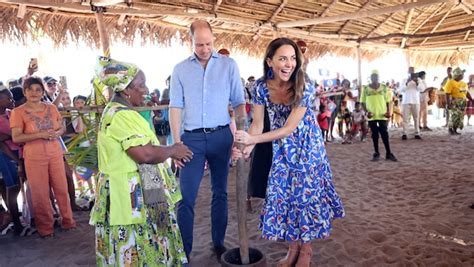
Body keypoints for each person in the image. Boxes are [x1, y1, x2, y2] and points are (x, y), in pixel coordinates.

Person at [234, 37, 344, 267]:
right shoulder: (260, 87)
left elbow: (288, 128)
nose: (289, 64)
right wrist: (246, 149)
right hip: (281, 150)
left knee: (305, 198)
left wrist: (253, 139)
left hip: (307, 148)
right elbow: (257, 123)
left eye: (293, 58)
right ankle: (293, 248)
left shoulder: (305, 85)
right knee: (287, 198)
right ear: (270, 61)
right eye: (282, 58)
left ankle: (306, 251)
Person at [89, 57, 193, 266]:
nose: (146, 90)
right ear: (126, 90)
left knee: (154, 239)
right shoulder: (121, 116)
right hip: (130, 195)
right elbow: (144, 154)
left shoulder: (119, 112)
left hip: (145, 185)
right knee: (138, 243)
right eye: (141, 85)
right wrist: (173, 149)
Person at [169, 20, 246, 260]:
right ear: (190, 41)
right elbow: (175, 106)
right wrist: (176, 143)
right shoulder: (180, 69)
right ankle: (185, 251)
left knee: (220, 192)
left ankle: (218, 243)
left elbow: (239, 102)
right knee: (186, 197)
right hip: (190, 140)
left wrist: (240, 136)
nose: (204, 49)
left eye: (209, 43)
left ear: (214, 38)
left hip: (222, 136)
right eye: (199, 44)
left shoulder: (228, 65)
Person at [10, 76, 76, 237]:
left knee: (61, 188)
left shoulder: (51, 108)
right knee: (40, 193)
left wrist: (56, 133)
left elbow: (61, 128)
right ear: (25, 92)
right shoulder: (18, 112)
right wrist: (41, 134)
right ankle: (46, 228)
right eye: (30, 90)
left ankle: (68, 221)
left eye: (38, 89)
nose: (34, 93)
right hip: (34, 156)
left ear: (42, 91)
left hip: (54, 153)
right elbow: (16, 137)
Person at [360, 71, 397, 162]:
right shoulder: (365, 89)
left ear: (378, 78)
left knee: (384, 133)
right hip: (371, 115)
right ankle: (376, 153)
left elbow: (388, 101)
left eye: (376, 77)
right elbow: (362, 102)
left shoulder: (384, 88)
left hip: (382, 114)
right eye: (373, 77)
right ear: (371, 78)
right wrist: (366, 112)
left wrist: (388, 111)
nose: (375, 79)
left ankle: (388, 153)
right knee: (374, 134)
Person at [444, 67, 471, 134]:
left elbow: (466, 92)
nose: (462, 76)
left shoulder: (463, 83)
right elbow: (447, 93)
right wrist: (448, 103)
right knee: (454, 115)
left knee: (460, 116)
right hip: (455, 102)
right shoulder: (450, 82)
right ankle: (450, 129)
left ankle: (455, 130)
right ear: (456, 75)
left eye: (462, 75)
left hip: (463, 102)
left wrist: (471, 99)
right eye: (461, 75)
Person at [401, 72, 422, 140]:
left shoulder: (419, 80)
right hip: (406, 101)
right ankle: (405, 133)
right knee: (405, 119)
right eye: (410, 71)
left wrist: (417, 83)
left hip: (415, 101)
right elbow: (401, 90)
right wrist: (407, 82)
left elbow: (421, 89)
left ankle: (417, 133)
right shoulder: (404, 80)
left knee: (416, 118)